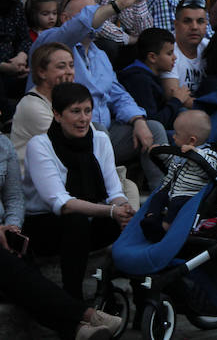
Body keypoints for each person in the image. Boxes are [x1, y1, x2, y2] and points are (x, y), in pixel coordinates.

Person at [31, 0, 169, 188]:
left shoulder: (99, 54)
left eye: (99, 11)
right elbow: (81, 26)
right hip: (67, 137)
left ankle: (164, 196)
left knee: (153, 128)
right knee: (97, 130)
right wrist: (117, 5)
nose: (100, 18)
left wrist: (137, 119)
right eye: (91, 13)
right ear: (67, 20)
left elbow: (119, 94)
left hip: (103, 135)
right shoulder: (52, 42)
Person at [0, 115, 123, 338]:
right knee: (15, 274)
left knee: (24, 278)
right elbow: (58, 201)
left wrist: (12, 227)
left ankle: (77, 331)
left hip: (5, 233)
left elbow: (14, 198)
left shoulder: (3, 145)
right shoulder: (41, 144)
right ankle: (86, 315)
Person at [23, 82, 135, 299]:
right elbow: (61, 203)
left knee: (131, 220)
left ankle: (138, 296)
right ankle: (73, 298)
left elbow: (114, 192)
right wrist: (111, 211)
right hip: (43, 225)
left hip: (89, 219)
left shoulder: (100, 139)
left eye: (87, 111)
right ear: (57, 114)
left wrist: (123, 209)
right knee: (76, 220)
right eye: (75, 112)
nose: (83, 119)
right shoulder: (40, 145)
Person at [140, 110, 217, 241]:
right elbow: (168, 162)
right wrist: (159, 150)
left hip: (189, 195)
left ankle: (164, 229)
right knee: (158, 197)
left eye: (176, 134)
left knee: (176, 204)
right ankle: (151, 219)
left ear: (192, 140)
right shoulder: (179, 152)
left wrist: (196, 152)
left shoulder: (210, 154)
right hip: (171, 190)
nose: (173, 136)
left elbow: (213, 167)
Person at [11, 42, 73, 168]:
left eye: (71, 66)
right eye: (61, 67)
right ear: (41, 72)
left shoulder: (65, 99)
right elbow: (72, 144)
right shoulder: (32, 106)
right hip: (33, 182)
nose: (69, 72)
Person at [117, 28, 190, 130]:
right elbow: (153, 123)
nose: (175, 57)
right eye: (169, 53)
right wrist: (176, 100)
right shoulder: (139, 80)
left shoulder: (148, 76)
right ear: (152, 57)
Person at [0, 0, 30, 105]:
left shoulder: (14, 3)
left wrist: (21, 58)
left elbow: (24, 37)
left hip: (15, 65)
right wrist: (5, 67)